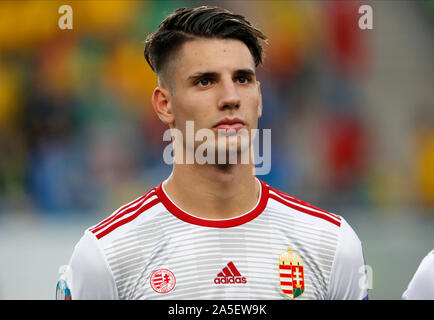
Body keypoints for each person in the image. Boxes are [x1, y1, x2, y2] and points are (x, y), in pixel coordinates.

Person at [56, 6, 368, 300]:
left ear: (259, 98)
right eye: (206, 81)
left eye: (243, 79)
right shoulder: (106, 255)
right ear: (165, 105)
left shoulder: (331, 245)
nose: (231, 98)